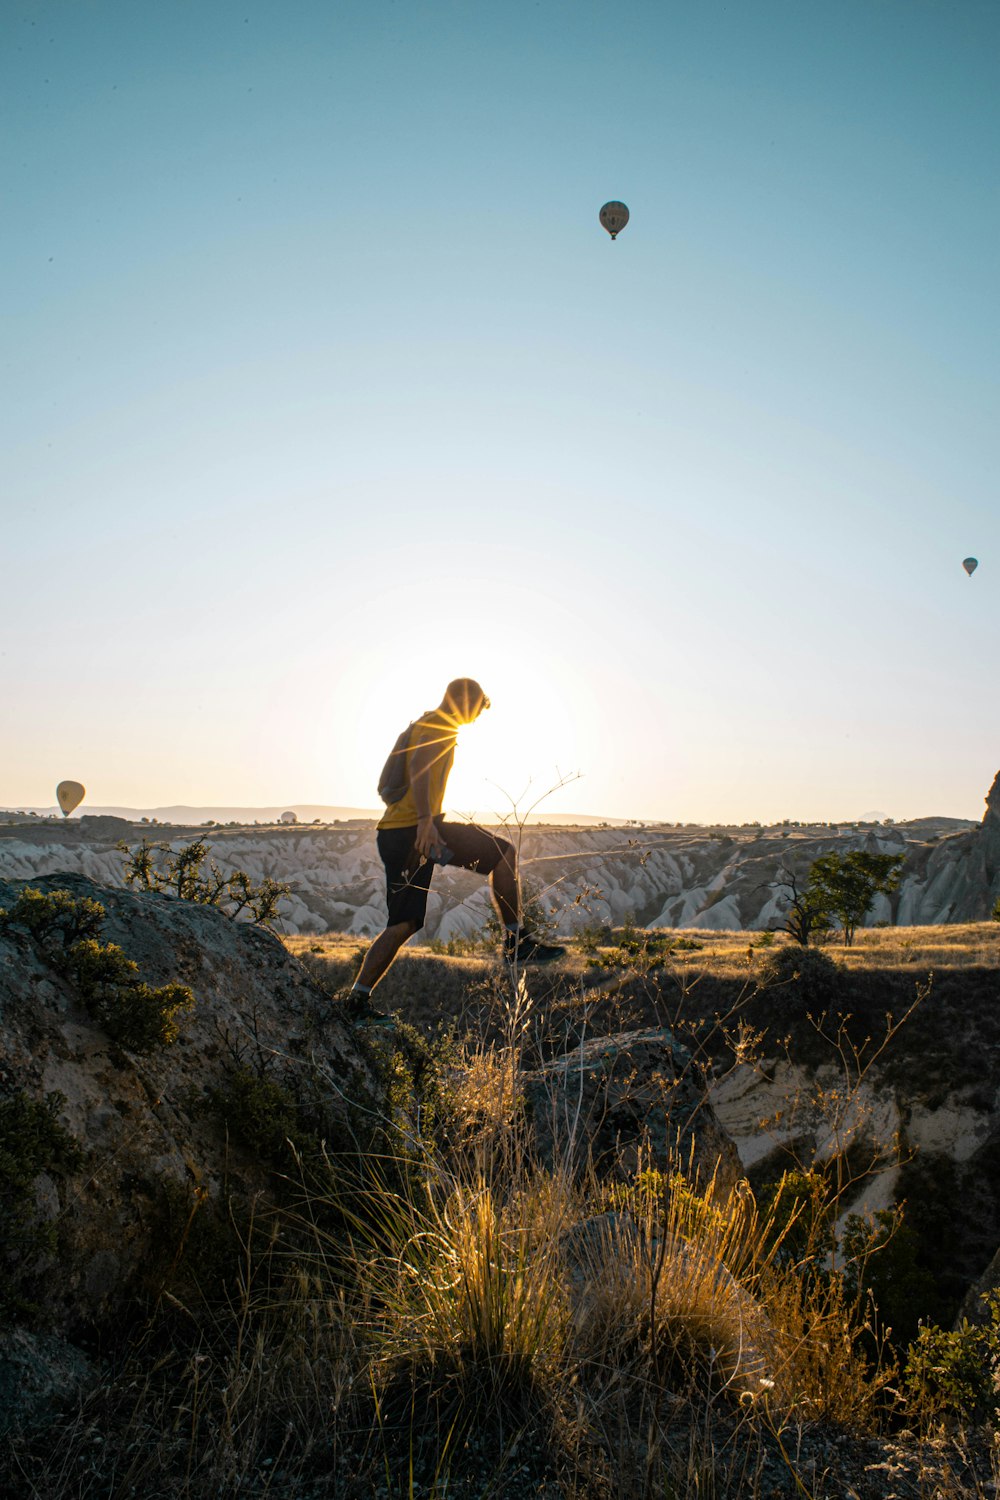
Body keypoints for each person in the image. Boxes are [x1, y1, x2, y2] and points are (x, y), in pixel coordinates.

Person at [345, 677, 565, 1025]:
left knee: (405, 923)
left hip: (402, 831)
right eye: (477, 709)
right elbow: (419, 767)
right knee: (502, 853)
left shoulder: (427, 722)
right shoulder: (437, 726)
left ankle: (356, 1000)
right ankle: (516, 942)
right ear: (465, 702)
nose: (476, 718)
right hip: (411, 832)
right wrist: (425, 822)